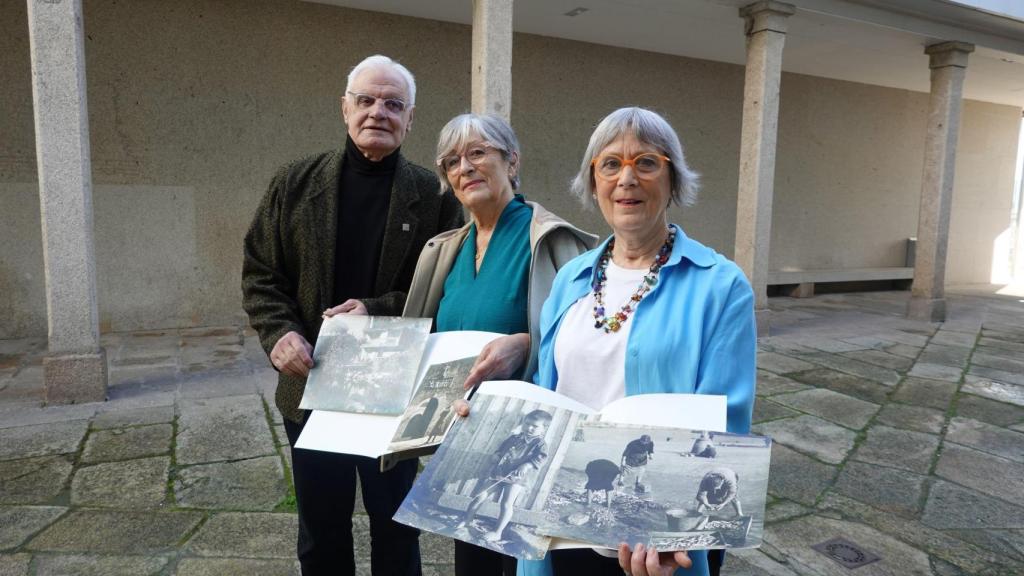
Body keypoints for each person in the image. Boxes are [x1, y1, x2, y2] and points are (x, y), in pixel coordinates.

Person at [241, 54, 464, 576]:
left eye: (393, 104)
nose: (377, 112)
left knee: (396, 530)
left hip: (394, 389)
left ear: (410, 120)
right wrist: (280, 333)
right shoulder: (294, 183)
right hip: (311, 384)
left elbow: (444, 290)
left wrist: (374, 309)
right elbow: (260, 272)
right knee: (321, 531)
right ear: (345, 109)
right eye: (365, 100)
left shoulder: (434, 196)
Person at [527, 107, 756, 576]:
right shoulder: (570, 278)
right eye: (610, 164)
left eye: (646, 162)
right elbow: (545, 392)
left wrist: (674, 536)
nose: (626, 178)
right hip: (561, 529)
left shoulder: (721, 285)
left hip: (655, 548)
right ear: (594, 183)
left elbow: (727, 428)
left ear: (673, 180)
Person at [391, 113, 597, 576]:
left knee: (526, 561)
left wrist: (526, 343)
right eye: (451, 161)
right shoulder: (447, 248)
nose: (464, 167)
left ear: (512, 161)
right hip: (463, 437)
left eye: (479, 153)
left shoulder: (551, 242)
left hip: (528, 440)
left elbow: (588, 341)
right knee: (474, 563)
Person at [456, 409, 553, 543]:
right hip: (500, 473)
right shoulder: (514, 437)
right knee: (480, 495)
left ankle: (497, 532)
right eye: (527, 423)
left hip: (516, 478)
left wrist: (527, 465)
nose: (529, 428)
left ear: (544, 429)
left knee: (506, 504)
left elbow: (541, 458)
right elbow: (501, 449)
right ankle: (467, 520)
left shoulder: (540, 444)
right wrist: (496, 455)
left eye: (534, 426)